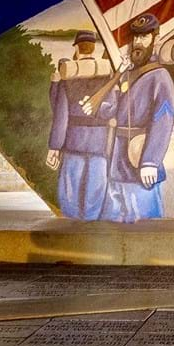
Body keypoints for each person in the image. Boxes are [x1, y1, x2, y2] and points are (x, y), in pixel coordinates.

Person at [104, 13, 174, 222]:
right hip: (117, 163)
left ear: (155, 40)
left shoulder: (160, 76)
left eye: (144, 37)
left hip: (140, 161)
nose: (137, 43)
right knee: (115, 228)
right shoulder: (127, 73)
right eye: (135, 38)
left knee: (145, 227)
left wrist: (150, 161)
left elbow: (163, 120)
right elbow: (110, 110)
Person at [45, 31, 113, 220]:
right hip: (99, 144)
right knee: (96, 192)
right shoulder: (107, 74)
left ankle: (72, 229)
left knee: (70, 192)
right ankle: (91, 229)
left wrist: (54, 146)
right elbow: (111, 110)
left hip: (73, 143)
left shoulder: (69, 76)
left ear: (76, 48)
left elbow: (60, 114)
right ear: (93, 48)